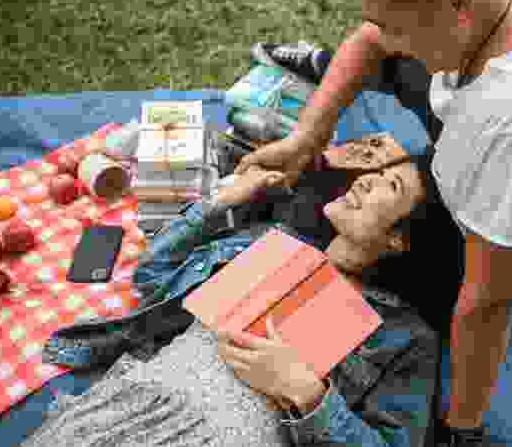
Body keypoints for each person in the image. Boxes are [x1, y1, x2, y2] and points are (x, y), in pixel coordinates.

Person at [235, 0, 512, 443]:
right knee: (364, 132)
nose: (384, 36)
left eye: (395, 25)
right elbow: (371, 39)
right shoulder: (505, 0)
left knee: (322, 215)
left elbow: (489, 304)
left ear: (458, 2)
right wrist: (307, 137)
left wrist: (461, 431)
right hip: (507, 169)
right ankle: (322, 66)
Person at [28, 140, 444, 447]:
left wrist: (309, 393)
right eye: (377, 171)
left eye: (390, 185)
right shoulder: (273, 242)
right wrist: (214, 206)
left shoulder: (405, 337)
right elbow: (153, 281)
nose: (367, 180)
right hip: (129, 409)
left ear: (398, 239)